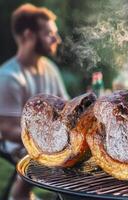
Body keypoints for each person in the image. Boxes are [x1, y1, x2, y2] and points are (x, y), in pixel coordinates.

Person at [0, 4, 69, 200]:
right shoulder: (9, 77)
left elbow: (65, 107)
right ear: (28, 35)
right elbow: (9, 130)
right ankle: (20, 194)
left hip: (51, 139)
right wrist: (52, 139)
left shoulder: (49, 68)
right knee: (61, 163)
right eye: (49, 33)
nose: (57, 39)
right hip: (18, 144)